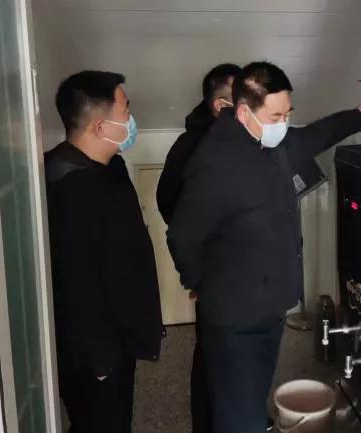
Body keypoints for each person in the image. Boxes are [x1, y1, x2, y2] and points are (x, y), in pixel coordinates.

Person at [167, 61, 361, 433]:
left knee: (253, 399)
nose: (283, 123)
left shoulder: (274, 143)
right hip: (234, 317)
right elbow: (182, 237)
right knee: (240, 416)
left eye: (287, 114)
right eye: (275, 116)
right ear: (243, 112)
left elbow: (317, 134)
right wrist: (199, 282)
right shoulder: (214, 163)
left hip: (270, 307)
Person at [45, 71, 163, 433]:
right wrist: (99, 359)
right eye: (125, 110)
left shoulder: (110, 166)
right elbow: (74, 283)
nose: (131, 119)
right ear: (100, 126)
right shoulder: (69, 187)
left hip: (119, 337)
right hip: (96, 355)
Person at [156, 63, 245, 433]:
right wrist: (197, 270)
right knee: (214, 355)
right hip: (216, 272)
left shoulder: (239, 138)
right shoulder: (194, 147)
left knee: (238, 353)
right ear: (219, 104)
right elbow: (168, 205)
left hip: (244, 270)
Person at [156, 63, 242, 225]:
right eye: (242, 98)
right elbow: (167, 200)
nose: (252, 104)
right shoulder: (188, 146)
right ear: (221, 105)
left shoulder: (251, 141)